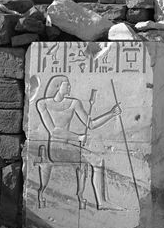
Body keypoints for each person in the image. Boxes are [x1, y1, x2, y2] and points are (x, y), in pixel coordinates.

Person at [35, 75, 123, 209]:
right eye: (67, 84)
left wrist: (111, 113)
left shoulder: (74, 103)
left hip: (69, 147)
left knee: (96, 159)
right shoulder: (42, 103)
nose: (70, 87)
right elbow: (54, 131)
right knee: (97, 161)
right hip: (55, 149)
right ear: (58, 86)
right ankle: (101, 202)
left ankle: (100, 201)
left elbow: (91, 124)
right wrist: (78, 138)